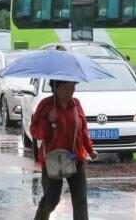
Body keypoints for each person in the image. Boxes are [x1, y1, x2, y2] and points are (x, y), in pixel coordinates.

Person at [31, 80, 98, 220]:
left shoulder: (76, 104)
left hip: (75, 158)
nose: (70, 91)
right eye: (66, 88)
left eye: (73, 87)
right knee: (51, 199)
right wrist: (48, 121)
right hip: (52, 160)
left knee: (80, 200)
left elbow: (82, 130)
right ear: (55, 88)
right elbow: (36, 132)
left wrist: (89, 149)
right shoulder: (45, 105)